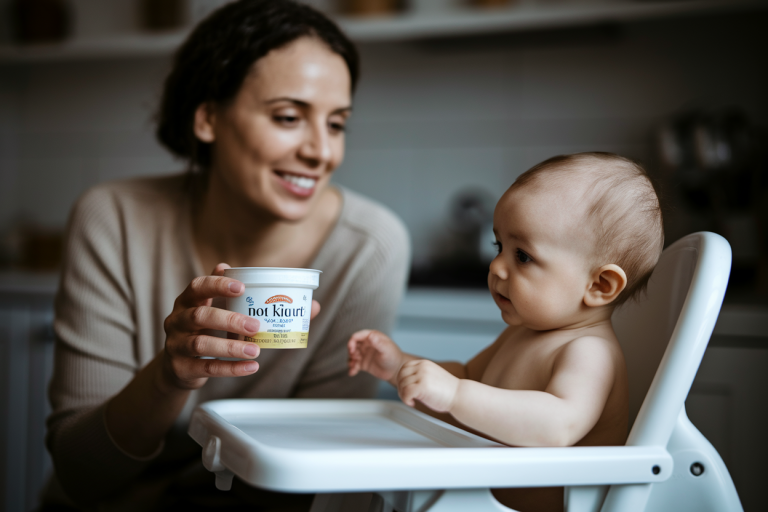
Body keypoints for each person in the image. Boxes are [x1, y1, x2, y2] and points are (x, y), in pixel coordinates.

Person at [43, 1, 410, 510]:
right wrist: (169, 376)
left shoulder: (369, 247)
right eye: (288, 117)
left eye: (337, 124)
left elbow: (321, 470)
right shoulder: (114, 218)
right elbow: (82, 473)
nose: (321, 152)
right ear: (208, 118)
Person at [347, 152, 664, 512]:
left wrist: (454, 395)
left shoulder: (589, 352)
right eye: (500, 247)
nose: (496, 266)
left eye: (523, 256)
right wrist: (399, 366)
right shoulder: (521, 335)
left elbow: (557, 425)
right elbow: (466, 379)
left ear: (601, 285)